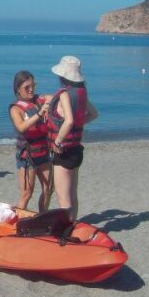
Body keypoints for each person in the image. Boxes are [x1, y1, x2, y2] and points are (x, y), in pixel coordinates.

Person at [46, 56, 98, 220]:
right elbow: (94, 114)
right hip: (76, 149)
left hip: (64, 151)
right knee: (73, 195)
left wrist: (57, 141)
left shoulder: (64, 94)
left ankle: (66, 232)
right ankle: (73, 225)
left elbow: (68, 121)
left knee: (63, 198)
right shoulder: (81, 93)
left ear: (62, 76)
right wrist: (79, 124)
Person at [9, 71, 52, 211]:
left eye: (33, 85)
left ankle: (42, 216)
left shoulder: (40, 99)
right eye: (27, 87)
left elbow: (58, 97)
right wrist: (39, 114)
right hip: (28, 157)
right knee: (27, 193)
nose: (31, 89)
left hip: (44, 153)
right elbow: (21, 127)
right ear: (18, 89)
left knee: (48, 189)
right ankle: (17, 223)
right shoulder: (16, 109)